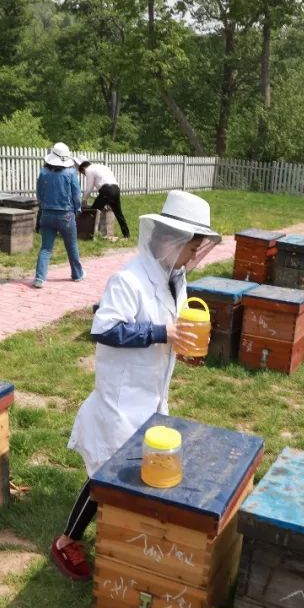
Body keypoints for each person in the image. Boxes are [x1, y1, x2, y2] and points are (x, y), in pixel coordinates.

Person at [49, 190, 221, 581]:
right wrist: (163, 332)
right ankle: (66, 542)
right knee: (104, 478)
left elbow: (173, 328)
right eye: (192, 247)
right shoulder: (128, 279)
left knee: (136, 475)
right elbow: (104, 327)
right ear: (173, 240)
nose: (194, 256)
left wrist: (184, 345)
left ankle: (129, 545)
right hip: (120, 400)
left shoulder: (175, 280)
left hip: (150, 395)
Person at [34, 142, 84, 289]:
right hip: (66, 215)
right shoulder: (71, 173)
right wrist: (78, 209)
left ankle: (39, 278)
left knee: (45, 248)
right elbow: (76, 195)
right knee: (71, 245)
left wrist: (43, 206)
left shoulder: (43, 173)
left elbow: (39, 194)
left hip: (47, 214)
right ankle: (77, 274)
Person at [75, 156, 130, 239]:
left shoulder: (89, 170)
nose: (84, 174)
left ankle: (89, 235)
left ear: (82, 168)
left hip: (106, 190)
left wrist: (84, 200)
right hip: (116, 189)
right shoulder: (102, 166)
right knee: (118, 213)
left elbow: (89, 188)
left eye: (82, 173)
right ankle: (126, 235)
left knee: (93, 212)